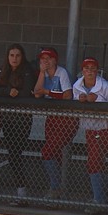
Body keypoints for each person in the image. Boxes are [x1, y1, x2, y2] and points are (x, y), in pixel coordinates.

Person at [73, 57, 108, 211]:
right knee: (95, 161)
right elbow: (72, 107)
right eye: (87, 68)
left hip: (106, 128)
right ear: (82, 71)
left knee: (94, 160)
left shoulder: (106, 86)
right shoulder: (77, 86)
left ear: (97, 71)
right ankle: (100, 198)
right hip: (90, 128)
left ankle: (99, 200)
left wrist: (98, 100)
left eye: (93, 68)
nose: (90, 71)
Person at [0, 43, 35, 202]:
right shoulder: (4, 69)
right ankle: (21, 190)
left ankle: (22, 193)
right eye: (12, 55)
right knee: (12, 155)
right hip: (7, 119)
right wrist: (7, 91)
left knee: (15, 154)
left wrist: (15, 94)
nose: (14, 58)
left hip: (22, 119)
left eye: (17, 55)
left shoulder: (27, 71)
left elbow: (26, 92)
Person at [32, 48, 74, 199]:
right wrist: (42, 73)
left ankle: (56, 188)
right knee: (53, 153)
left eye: (49, 58)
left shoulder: (61, 72)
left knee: (47, 151)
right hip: (52, 118)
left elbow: (68, 95)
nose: (45, 61)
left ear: (55, 60)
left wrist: (47, 92)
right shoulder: (43, 74)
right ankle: (56, 189)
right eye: (43, 58)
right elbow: (37, 93)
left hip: (67, 118)